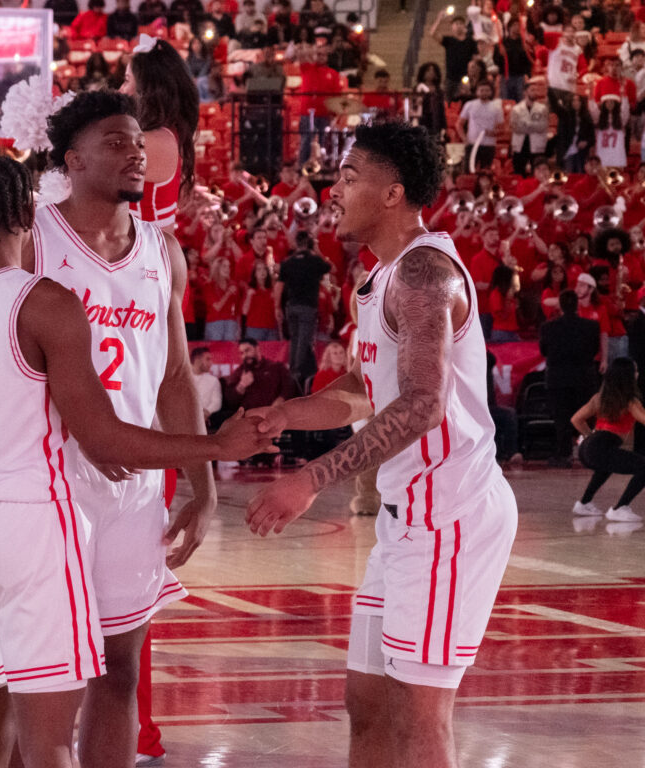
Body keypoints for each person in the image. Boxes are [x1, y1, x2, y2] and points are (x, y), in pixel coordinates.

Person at [0, 155, 270, 768]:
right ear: (24, 214)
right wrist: (215, 448)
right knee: (49, 736)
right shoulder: (46, 301)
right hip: (32, 525)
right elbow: (104, 439)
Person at [244, 121, 518, 768]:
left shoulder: (424, 273)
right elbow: (363, 386)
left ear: (393, 193)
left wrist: (311, 478)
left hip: (450, 517)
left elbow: (423, 404)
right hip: (405, 522)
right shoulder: (379, 275)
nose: (333, 190)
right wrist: (284, 414)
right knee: (366, 706)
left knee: (421, 726)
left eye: (347, 177)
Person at [28, 90, 222, 768]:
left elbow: (174, 378)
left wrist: (203, 485)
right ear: (73, 160)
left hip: (133, 488)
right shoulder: (32, 240)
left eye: (138, 141)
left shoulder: (162, 251)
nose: (136, 151)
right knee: (43, 685)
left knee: (119, 672)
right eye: (116, 141)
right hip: (46, 483)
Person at [120, 36, 199, 233]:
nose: (120, 89)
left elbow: (89, 173)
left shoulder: (154, 141)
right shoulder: (165, 132)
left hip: (146, 258)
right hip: (139, 255)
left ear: (146, 91)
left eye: (127, 81)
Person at [572, 357, 645, 523]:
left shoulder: (599, 397)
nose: (637, 374)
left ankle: (584, 504)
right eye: (635, 371)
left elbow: (576, 419)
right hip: (601, 446)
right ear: (628, 376)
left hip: (587, 448)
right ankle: (620, 508)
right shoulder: (630, 401)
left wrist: (590, 436)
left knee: (606, 465)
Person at [541, 288, 600, 468]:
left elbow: (544, 351)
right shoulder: (591, 326)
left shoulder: (548, 327)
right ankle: (589, 453)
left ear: (560, 304)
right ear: (577, 305)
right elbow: (594, 350)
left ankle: (564, 454)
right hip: (584, 377)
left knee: (562, 418)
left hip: (558, 378)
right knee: (586, 417)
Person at [274, 233, 331, 384]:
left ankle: (298, 370)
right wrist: (317, 248)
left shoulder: (288, 263)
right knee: (303, 341)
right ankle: (295, 373)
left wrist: (277, 307)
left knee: (295, 339)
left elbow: (279, 286)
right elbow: (328, 266)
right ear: (309, 244)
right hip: (307, 307)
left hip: (291, 306)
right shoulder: (314, 261)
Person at [426, 10, 477, 100]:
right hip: (450, 78)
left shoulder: (470, 42)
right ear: (452, 27)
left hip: (465, 78)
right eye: (456, 24)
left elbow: (475, 58)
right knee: (448, 103)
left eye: (460, 23)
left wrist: (473, 77)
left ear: (464, 26)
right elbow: (433, 33)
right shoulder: (449, 40)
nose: (458, 26)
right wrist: (439, 19)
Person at [458, 80, 504, 172]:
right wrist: (464, 139)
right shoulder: (470, 105)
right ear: (477, 91)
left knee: (486, 172)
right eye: (482, 90)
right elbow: (459, 124)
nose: (484, 93)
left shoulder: (496, 107)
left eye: (487, 90)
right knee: (469, 171)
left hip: (488, 144)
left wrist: (493, 133)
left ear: (491, 92)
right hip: (472, 143)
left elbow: (501, 129)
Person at [509, 77, 550, 177]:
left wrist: (527, 124)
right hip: (520, 145)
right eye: (532, 90)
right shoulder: (516, 109)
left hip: (536, 145)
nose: (535, 92)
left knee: (536, 172)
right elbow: (515, 127)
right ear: (525, 92)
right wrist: (533, 126)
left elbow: (543, 126)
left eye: (536, 90)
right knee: (518, 171)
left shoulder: (542, 108)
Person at [190, 346, 222, 427]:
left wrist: (206, 412)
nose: (211, 363)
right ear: (197, 360)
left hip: (205, 420)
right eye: (207, 359)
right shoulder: (183, 379)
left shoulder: (213, 380)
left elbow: (216, 402)